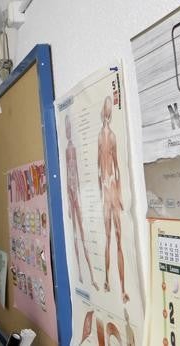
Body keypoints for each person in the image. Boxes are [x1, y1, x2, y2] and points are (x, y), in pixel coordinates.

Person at [97, 95, 128, 303]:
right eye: (105, 113)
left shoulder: (113, 137)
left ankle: (123, 288)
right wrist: (102, 190)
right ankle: (107, 280)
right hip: (107, 191)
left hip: (113, 190)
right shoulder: (101, 137)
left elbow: (116, 167)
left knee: (118, 239)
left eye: (109, 113)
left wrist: (120, 196)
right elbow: (100, 167)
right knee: (110, 238)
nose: (107, 116)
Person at [64, 115, 96, 285]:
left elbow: (76, 171)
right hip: (70, 193)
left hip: (76, 191)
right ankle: (80, 274)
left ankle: (91, 274)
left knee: (83, 234)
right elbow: (66, 172)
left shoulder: (74, 149)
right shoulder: (66, 150)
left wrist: (79, 198)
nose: (68, 131)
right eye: (66, 128)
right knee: (75, 235)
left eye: (69, 127)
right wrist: (69, 205)